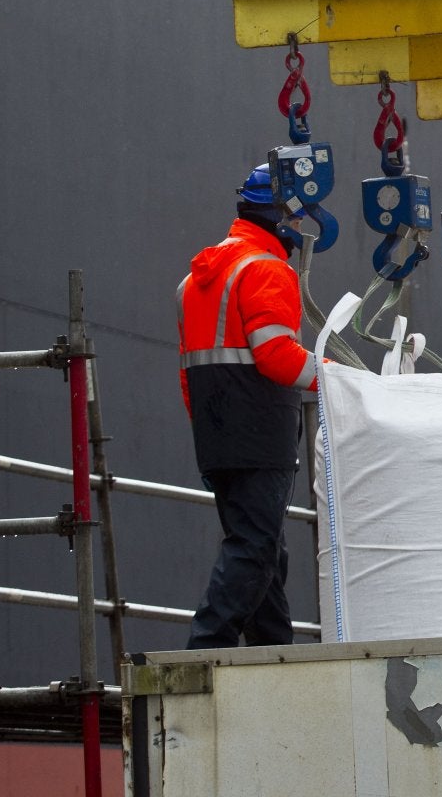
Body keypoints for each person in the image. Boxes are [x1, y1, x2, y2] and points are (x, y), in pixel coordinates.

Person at [176, 164, 319, 649]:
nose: (302, 229)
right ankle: (205, 650)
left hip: (216, 434)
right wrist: (339, 382)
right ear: (281, 215)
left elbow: (188, 371)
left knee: (264, 549)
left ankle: (274, 652)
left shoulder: (199, 278)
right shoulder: (265, 270)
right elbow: (277, 356)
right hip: (260, 430)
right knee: (254, 547)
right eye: (300, 218)